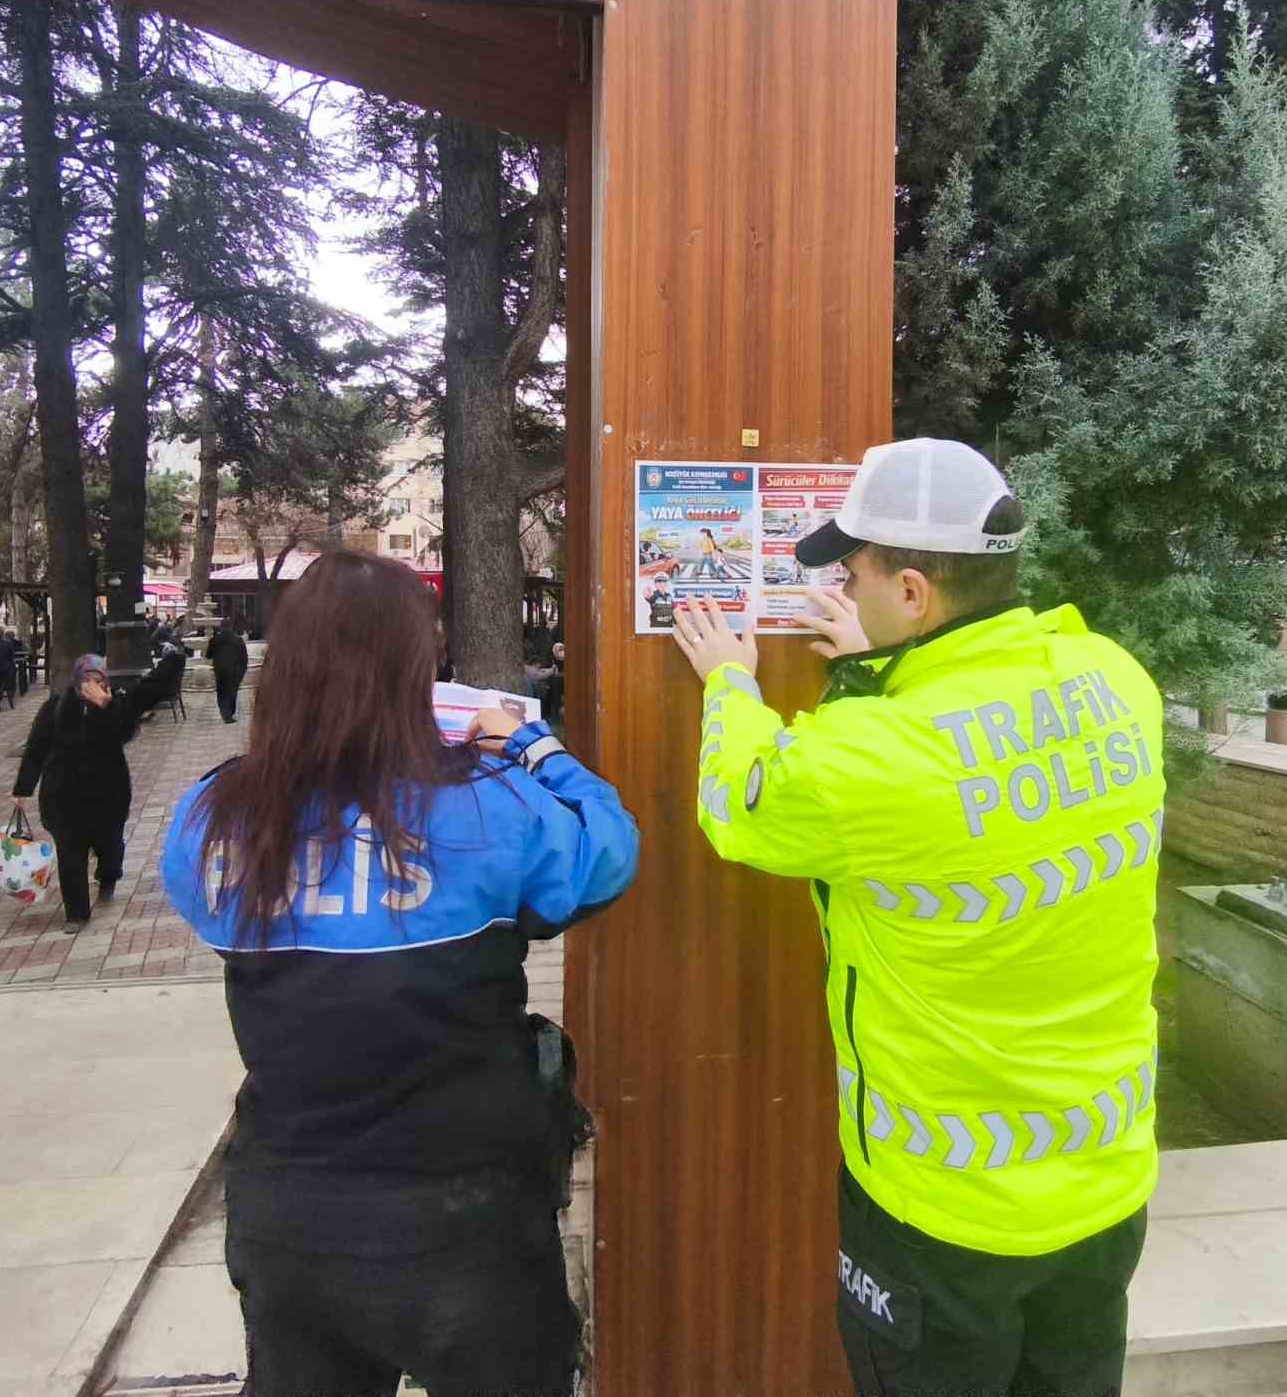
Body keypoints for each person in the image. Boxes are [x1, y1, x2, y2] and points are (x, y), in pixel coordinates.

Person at [669, 438, 1164, 1397]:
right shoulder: (1115, 680)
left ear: (910, 593)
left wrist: (732, 682)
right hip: (1106, 1182)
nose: (843, 591)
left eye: (852, 573)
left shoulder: (872, 757)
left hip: (946, 1210)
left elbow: (742, 804)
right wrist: (887, 667)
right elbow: (987, 742)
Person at [158, 551, 639, 1397]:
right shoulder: (490, 803)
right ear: (418, 669)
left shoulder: (216, 815)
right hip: (466, 1215)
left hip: (288, 1210)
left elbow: (212, 917)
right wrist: (534, 746)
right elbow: (606, 854)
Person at [11, 650, 180, 932]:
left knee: (110, 846)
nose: (92, 683)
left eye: (98, 678)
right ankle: (76, 914)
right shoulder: (56, 707)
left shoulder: (119, 704)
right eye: (87, 678)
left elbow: (124, 730)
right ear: (77, 681)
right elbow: (36, 749)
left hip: (108, 794)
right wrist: (22, 788)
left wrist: (106, 705)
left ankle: (108, 875)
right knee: (70, 853)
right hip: (63, 795)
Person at [206, 616, 249, 724]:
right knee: (232, 692)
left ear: (221, 627)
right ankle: (229, 713)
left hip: (220, 671)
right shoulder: (238, 639)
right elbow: (244, 657)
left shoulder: (214, 640)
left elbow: (208, 655)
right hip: (235, 671)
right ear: (231, 627)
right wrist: (241, 671)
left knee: (221, 692)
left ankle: (224, 713)